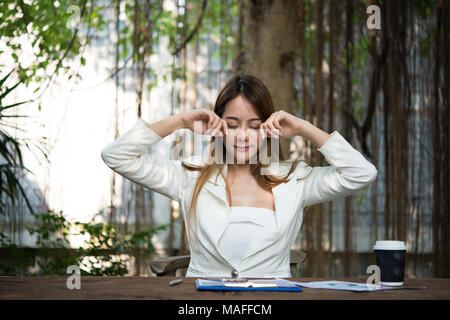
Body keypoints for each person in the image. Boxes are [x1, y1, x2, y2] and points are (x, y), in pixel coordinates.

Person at [101, 74, 378, 278]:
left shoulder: (295, 178)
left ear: (269, 128)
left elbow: (362, 173)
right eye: (232, 125)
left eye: (255, 126)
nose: (244, 136)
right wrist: (180, 122)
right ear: (217, 126)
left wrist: (304, 128)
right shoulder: (190, 174)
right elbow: (116, 156)